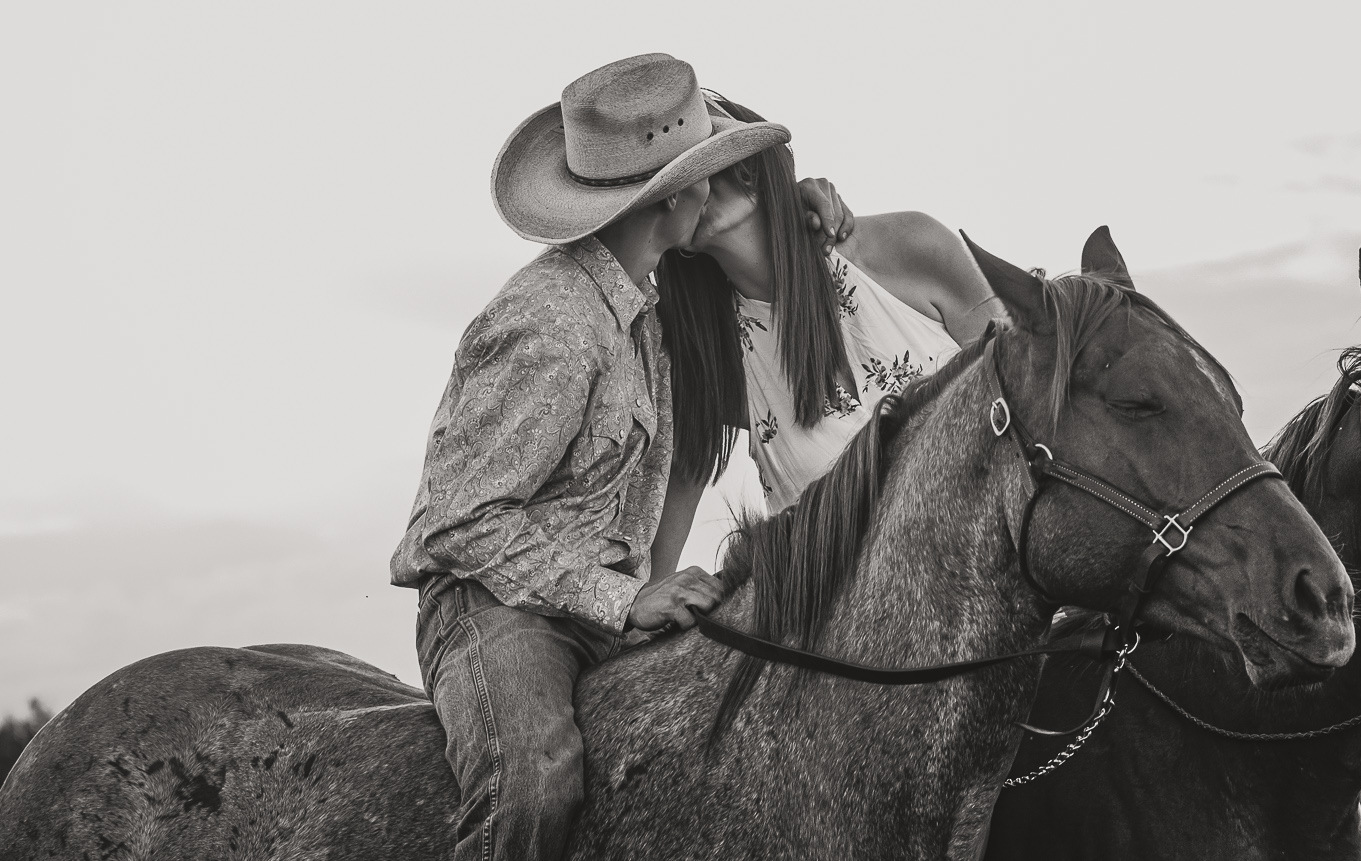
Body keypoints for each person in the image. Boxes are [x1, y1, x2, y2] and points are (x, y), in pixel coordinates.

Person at [389, 53, 794, 861]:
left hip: (589, 608)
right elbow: (458, 523)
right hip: (498, 608)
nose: (714, 194)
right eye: (705, 175)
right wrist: (625, 600)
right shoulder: (554, 323)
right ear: (671, 196)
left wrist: (814, 205)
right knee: (537, 783)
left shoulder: (647, 299)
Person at [645, 93, 1003, 576]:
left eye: (719, 158)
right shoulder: (710, 358)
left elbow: (1032, 395)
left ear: (756, 166)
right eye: (680, 179)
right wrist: (642, 603)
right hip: (857, 635)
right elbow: (659, 552)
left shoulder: (913, 246)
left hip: (1007, 581)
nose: (705, 184)